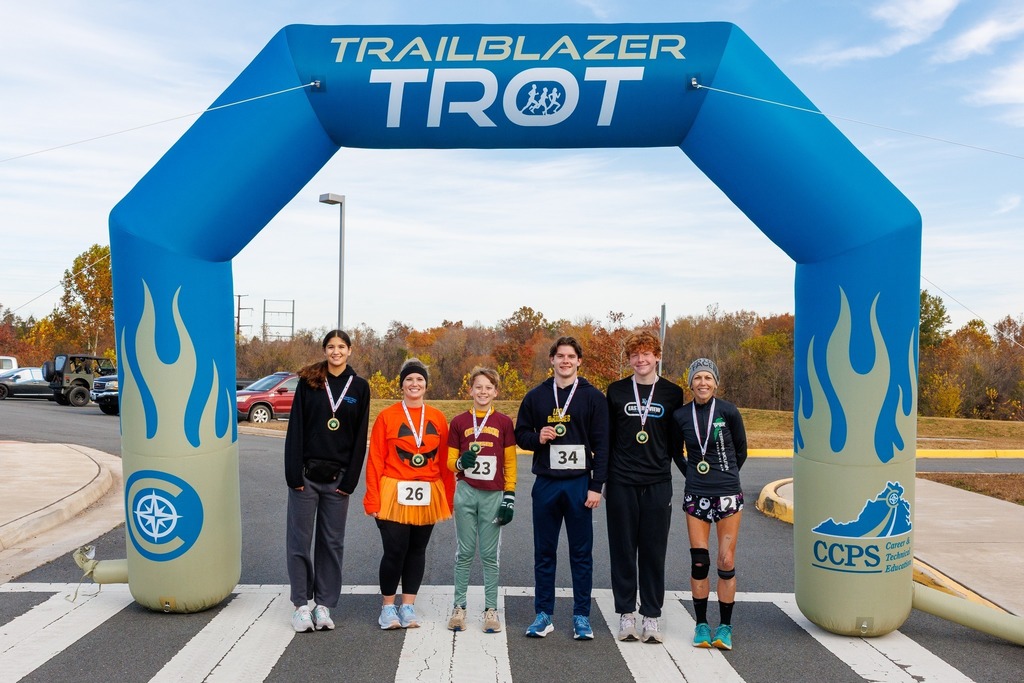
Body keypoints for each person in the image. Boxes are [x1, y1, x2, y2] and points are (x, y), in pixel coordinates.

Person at [515, 336, 609, 640]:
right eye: (560, 356)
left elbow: (603, 445)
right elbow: (521, 434)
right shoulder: (536, 396)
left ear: (579, 361)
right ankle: (543, 614)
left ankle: (581, 616)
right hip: (546, 484)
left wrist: (596, 487)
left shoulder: (593, 397)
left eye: (571, 356)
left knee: (581, 553)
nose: (565, 361)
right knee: (544, 552)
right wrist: (537, 438)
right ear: (552, 360)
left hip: (580, 484)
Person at [284, 329, 371, 633]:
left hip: (338, 481)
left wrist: (350, 481)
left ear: (350, 351)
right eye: (331, 347)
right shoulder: (310, 383)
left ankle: (323, 605)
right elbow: (295, 427)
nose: (336, 351)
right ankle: (300, 605)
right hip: (306, 478)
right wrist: (293, 474)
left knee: (331, 543)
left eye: (341, 347)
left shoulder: (359, 387)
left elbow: (361, 438)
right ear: (325, 350)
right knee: (299, 542)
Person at [605, 331, 684, 644]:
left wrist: (695, 476)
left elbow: (676, 445)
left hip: (657, 483)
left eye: (646, 354)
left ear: (657, 356)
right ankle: (626, 613)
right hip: (621, 482)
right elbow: (606, 441)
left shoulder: (672, 394)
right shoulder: (615, 391)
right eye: (635, 355)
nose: (641, 360)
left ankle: (651, 615)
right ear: (629, 359)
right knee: (623, 550)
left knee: (653, 552)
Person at [364, 358, 455, 630]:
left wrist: (448, 498)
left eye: (419, 380)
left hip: (428, 491)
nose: (414, 384)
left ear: (426, 385)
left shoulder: (437, 417)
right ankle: (387, 607)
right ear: (401, 385)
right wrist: (372, 497)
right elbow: (376, 459)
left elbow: (444, 464)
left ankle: (408, 605)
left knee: (417, 550)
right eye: (409, 380)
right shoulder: (387, 416)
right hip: (393, 490)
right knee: (395, 550)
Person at [672, 358, 748, 651]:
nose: (702, 383)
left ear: (716, 382)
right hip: (696, 494)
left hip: (728, 494)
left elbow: (740, 450)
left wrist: (726, 474)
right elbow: (675, 452)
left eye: (708, 378)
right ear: (690, 383)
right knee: (700, 562)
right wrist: (693, 474)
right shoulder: (680, 415)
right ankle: (702, 624)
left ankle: (725, 627)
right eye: (697, 378)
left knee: (726, 561)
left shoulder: (728, 411)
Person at [446, 367, 518, 634]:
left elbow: (510, 461)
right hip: (466, 491)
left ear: (496, 391)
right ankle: (459, 607)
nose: (483, 392)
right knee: (464, 552)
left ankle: (490, 609)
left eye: (488, 387)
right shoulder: (459, 422)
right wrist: (458, 463)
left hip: (493, 493)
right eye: (478, 387)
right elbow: (449, 463)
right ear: (470, 390)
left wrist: (509, 495)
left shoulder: (503, 422)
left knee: (489, 555)